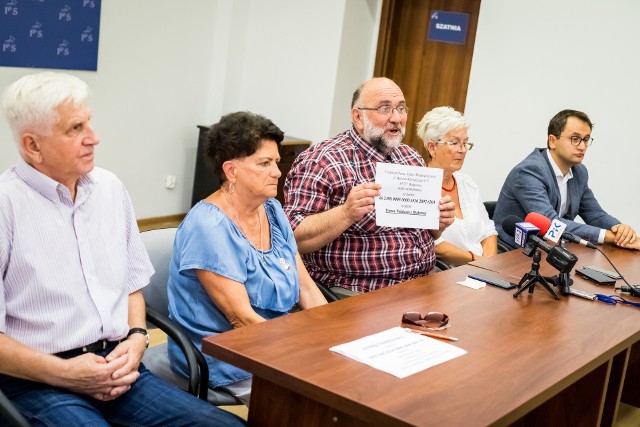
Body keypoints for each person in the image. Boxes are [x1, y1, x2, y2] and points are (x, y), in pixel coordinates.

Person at [0, 72, 245, 426]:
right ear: (32, 146)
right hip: (35, 381)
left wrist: (137, 337)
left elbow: (132, 285)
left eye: (89, 123)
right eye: (75, 129)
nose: (94, 138)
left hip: (117, 365)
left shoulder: (109, 189)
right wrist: (65, 373)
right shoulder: (7, 205)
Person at [167, 111, 327, 405]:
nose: (278, 172)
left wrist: (329, 336)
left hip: (273, 340)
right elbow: (240, 318)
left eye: (276, 162)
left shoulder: (272, 210)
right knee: (317, 401)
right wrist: (301, 350)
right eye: (264, 164)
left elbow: (305, 288)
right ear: (231, 170)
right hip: (225, 354)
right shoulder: (208, 226)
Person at [283, 77, 455, 294]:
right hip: (359, 290)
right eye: (385, 109)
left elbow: (427, 234)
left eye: (401, 109)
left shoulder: (410, 157)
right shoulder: (323, 161)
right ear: (358, 116)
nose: (397, 118)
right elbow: (292, 238)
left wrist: (437, 223)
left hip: (423, 282)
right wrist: (346, 213)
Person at [494, 109, 639, 250]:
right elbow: (552, 224)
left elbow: (595, 214)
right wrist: (607, 236)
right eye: (575, 139)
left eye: (586, 139)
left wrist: (620, 231)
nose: (582, 146)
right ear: (552, 141)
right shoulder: (529, 171)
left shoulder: (579, 172)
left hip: (550, 250)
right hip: (514, 252)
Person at [416, 106, 497, 266]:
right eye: (454, 143)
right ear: (432, 147)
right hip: (445, 275)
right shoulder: (419, 186)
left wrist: (490, 264)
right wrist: (477, 261)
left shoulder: (467, 183)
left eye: (466, 143)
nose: (462, 150)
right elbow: (435, 246)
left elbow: (488, 231)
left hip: (483, 269)